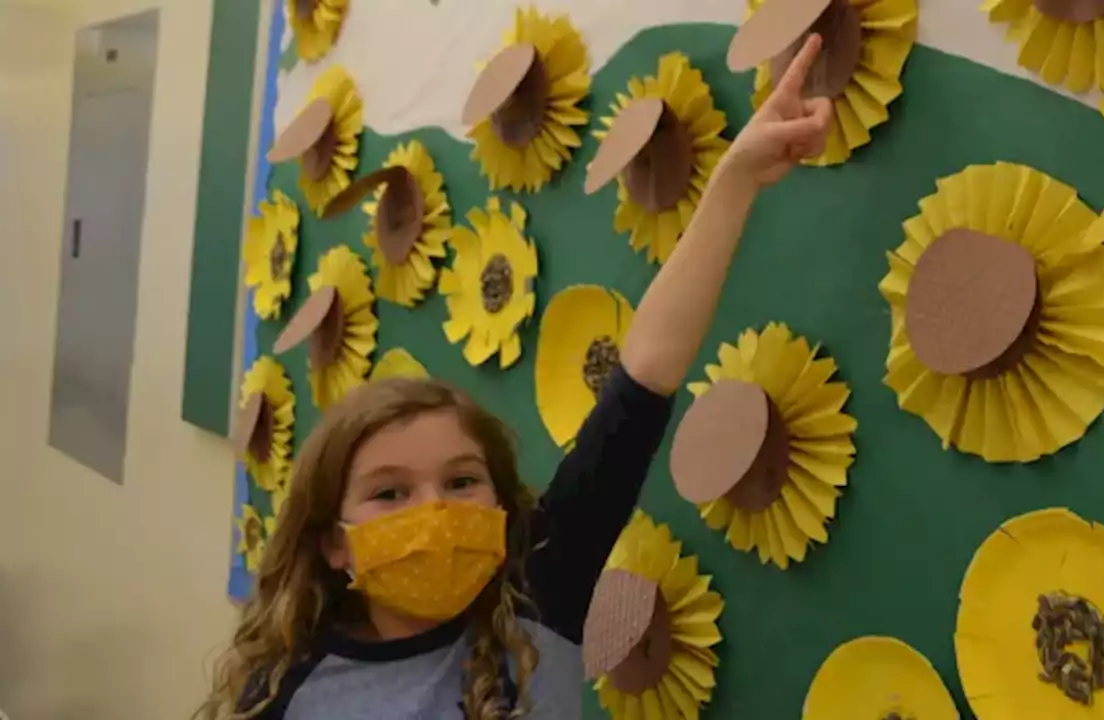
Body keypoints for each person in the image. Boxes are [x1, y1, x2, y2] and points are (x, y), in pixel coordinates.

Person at [199, 34, 834, 720]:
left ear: (503, 506)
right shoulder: (288, 691)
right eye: (389, 492)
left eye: (463, 480)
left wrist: (735, 179)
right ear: (331, 539)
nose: (433, 510)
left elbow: (644, 376)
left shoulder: (539, 594)